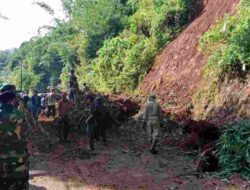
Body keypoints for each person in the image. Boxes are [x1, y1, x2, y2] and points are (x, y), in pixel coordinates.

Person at [0, 84, 29, 189]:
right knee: (20, 184)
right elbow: (25, 135)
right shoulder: (20, 114)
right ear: (13, 99)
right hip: (18, 156)